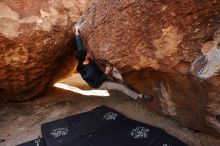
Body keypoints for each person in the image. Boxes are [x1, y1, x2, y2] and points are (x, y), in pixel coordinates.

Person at [74, 24, 152, 100]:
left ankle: (129, 95)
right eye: (86, 53)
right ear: (85, 57)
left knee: (121, 83)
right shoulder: (89, 72)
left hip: (101, 75)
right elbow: (98, 81)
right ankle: (140, 96)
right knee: (121, 87)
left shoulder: (83, 59)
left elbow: (80, 47)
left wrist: (77, 32)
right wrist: (107, 72)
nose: (88, 53)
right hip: (100, 84)